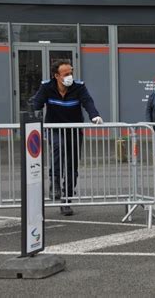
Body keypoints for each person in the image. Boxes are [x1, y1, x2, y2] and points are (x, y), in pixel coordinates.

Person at [32, 60, 103, 216]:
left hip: (74, 130)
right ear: (56, 76)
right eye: (66, 74)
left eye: (71, 73)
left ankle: (66, 200)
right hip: (54, 129)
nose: (69, 76)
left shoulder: (79, 87)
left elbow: (88, 102)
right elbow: (36, 104)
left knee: (72, 166)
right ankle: (55, 182)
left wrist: (94, 115)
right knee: (59, 146)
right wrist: (33, 111)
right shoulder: (47, 87)